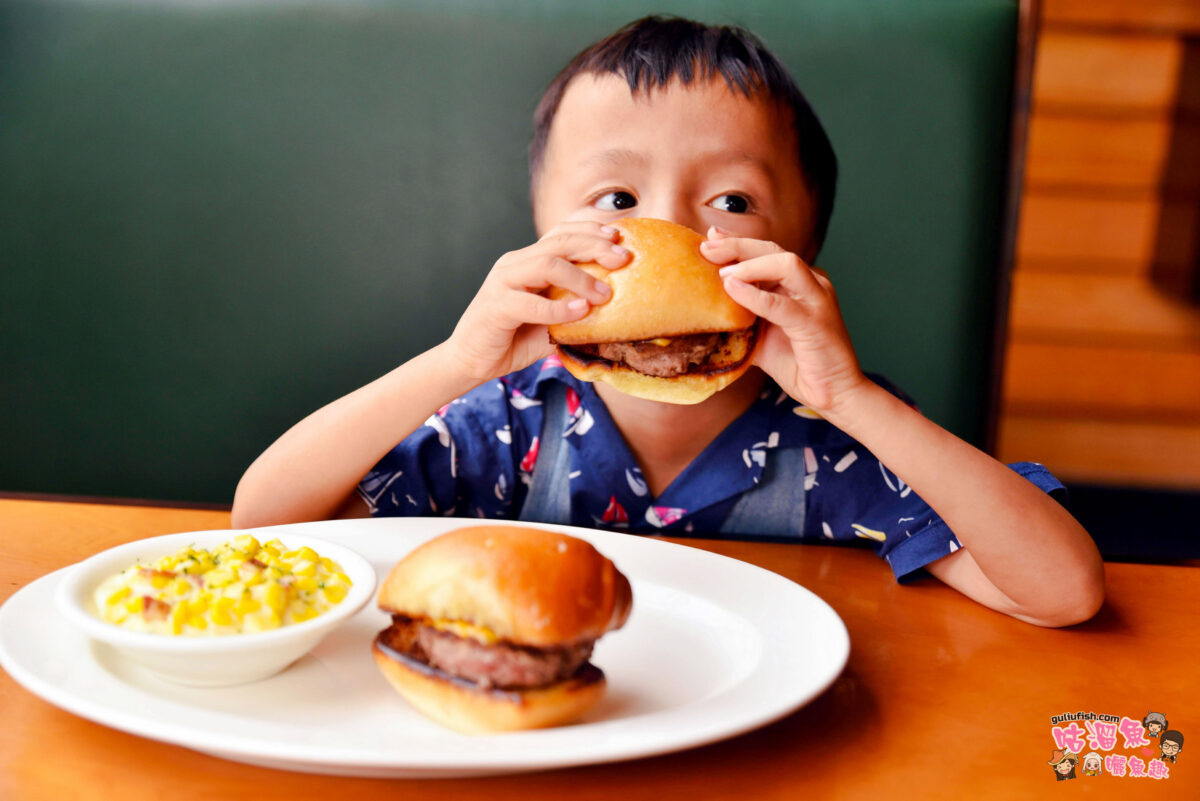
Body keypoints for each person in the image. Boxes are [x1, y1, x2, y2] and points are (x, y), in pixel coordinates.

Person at [232, 15, 1104, 627]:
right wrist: (458, 363)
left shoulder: (836, 444)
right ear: (544, 234)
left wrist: (853, 398)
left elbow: (1063, 590)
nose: (673, 236)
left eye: (733, 199)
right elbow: (265, 524)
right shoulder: (504, 425)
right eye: (616, 197)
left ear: (801, 256)